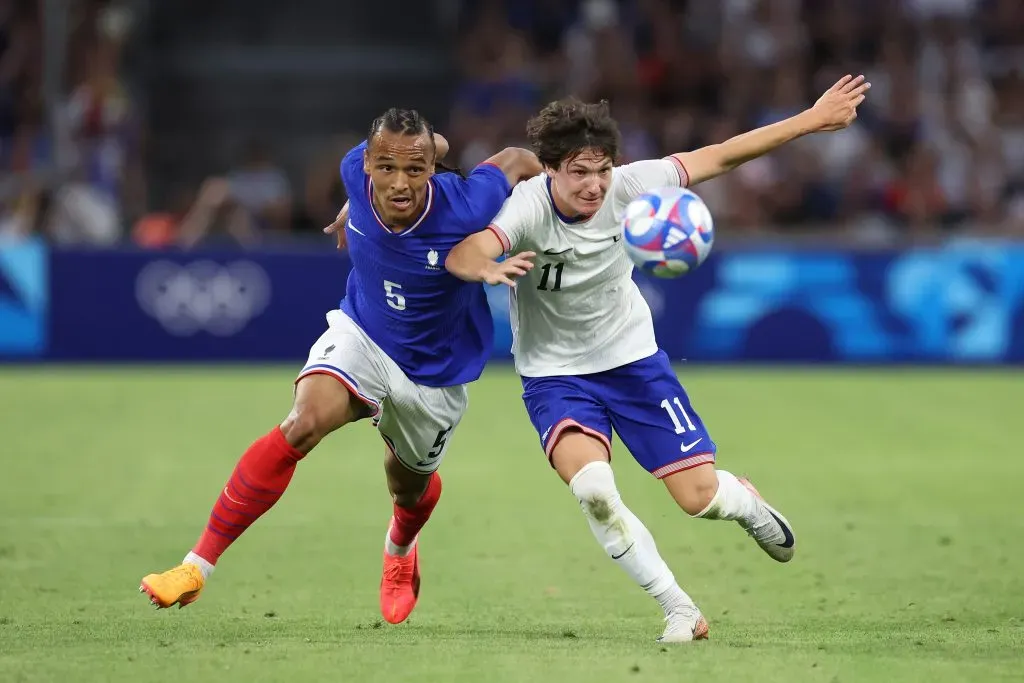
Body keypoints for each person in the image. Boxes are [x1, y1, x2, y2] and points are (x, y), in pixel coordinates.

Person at [445, 75, 871, 642]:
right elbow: (468, 250)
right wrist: (486, 266)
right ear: (550, 169)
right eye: (579, 172)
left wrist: (811, 119)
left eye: (601, 170)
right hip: (555, 376)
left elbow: (720, 156)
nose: (594, 185)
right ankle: (678, 608)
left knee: (699, 499)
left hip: (633, 364)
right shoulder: (527, 207)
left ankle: (743, 501)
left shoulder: (632, 185)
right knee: (594, 490)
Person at [140, 108, 541, 626]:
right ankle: (196, 567)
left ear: (432, 172)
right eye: (387, 168)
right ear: (367, 164)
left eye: (416, 170)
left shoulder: (467, 204)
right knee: (302, 422)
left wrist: (567, 196)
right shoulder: (354, 169)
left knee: (408, 485)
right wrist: (370, 191)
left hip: (434, 371)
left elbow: (515, 159)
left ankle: (400, 546)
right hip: (365, 335)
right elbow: (415, 150)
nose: (400, 184)